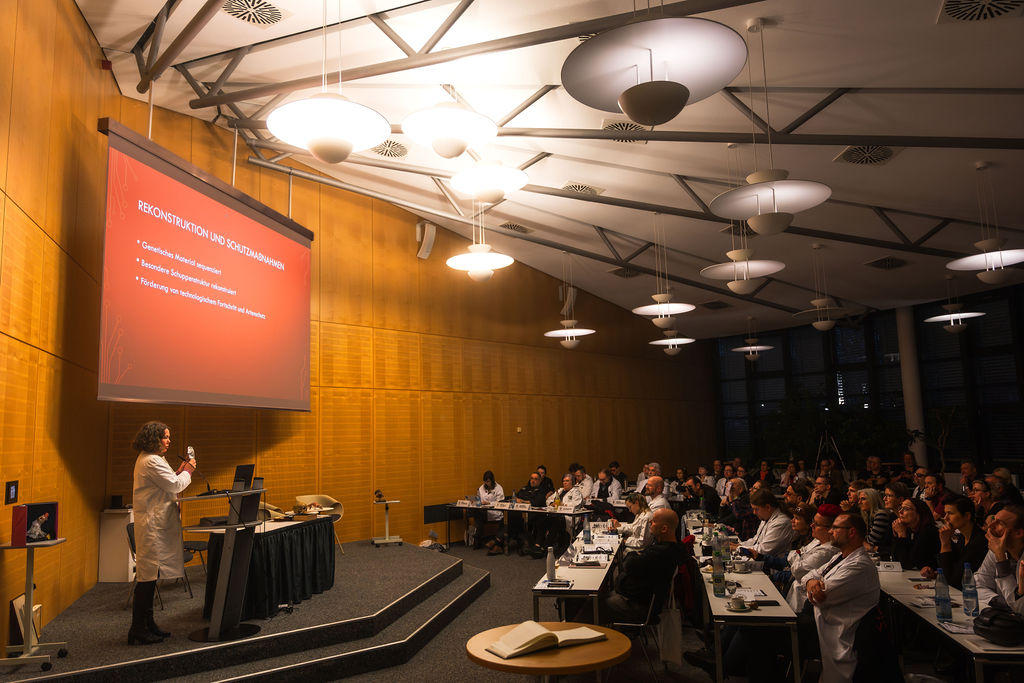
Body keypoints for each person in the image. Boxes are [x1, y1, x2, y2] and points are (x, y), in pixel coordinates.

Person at [128, 421, 194, 645]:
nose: (169, 441)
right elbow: (175, 485)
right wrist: (188, 471)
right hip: (152, 527)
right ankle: (137, 629)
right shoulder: (151, 461)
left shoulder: (154, 459)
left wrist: (179, 472)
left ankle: (148, 624)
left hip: (155, 524)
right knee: (147, 580)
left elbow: (166, 482)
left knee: (151, 578)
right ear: (153, 439)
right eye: (165, 437)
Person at [802, 513, 880, 683]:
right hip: (819, 622)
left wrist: (811, 585)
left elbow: (820, 597)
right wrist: (810, 582)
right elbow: (808, 575)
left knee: (763, 633)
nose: (830, 531)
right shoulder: (839, 556)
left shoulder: (859, 565)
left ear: (851, 532)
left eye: (835, 528)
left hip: (835, 631)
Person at [599, 508, 683, 623]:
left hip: (638, 606)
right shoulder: (669, 547)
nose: (650, 522)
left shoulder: (660, 553)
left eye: (654, 521)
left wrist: (633, 555)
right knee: (600, 597)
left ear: (664, 529)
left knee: (591, 607)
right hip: (637, 598)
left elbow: (629, 564)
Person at [926, 495, 987, 589]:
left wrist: (945, 543)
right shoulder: (963, 537)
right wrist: (936, 573)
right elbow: (953, 568)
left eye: (950, 513)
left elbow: (952, 581)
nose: (945, 518)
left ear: (967, 516)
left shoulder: (980, 541)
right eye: (945, 513)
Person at [975, 504, 1024, 615]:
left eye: (1000, 523)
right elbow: (978, 585)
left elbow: (1021, 608)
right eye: (993, 519)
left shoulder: (999, 550)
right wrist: (1005, 603)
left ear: (1018, 533)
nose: (990, 526)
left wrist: (1001, 560)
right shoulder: (998, 549)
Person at [737, 487, 795, 557]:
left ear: (768, 507)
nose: (754, 513)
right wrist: (739, 545)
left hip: (773, 562)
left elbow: (764, 550)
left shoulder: (781, 522)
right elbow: (755, 540)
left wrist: (738, 548)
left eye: (756, 509)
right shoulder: (765, 517)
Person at [891, 497, 939, 571]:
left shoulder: (928, 531)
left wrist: (901, 535)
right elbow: (895, 561)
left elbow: (907, 564)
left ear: (918, 513)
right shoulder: (909, 530)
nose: (900, 511)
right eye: (900, 508)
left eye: (906, 509)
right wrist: (896, 536)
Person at [473, 470, 505, 553]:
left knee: (479, 516)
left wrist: (489, 503)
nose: (486, 483)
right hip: (484, 512)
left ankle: (478, 538)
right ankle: (477, 538)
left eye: (488, 481)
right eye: (485, 481)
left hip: (495, 513)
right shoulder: (481, 488)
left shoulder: (498, 488)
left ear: (492, 480)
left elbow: (501, 502)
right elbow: (479, 498)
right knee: (476, 513)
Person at [859, 488, 894, 557]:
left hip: (885, 554)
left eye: (863, 499)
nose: (859, 502)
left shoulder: (881, 515)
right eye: (859, 499)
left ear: (872, 500)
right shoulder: (869, 515)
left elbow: (871, 541)